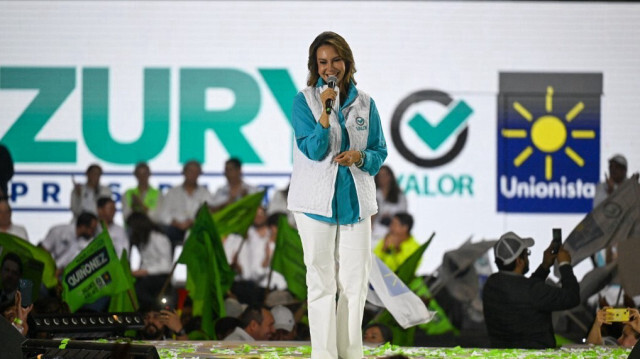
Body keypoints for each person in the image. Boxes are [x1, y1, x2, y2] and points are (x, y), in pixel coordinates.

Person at [287, 31, 387, 359]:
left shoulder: (366, 103)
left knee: (355, 285)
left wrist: (360, 157)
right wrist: (325, 111)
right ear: (315, 68)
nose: (330, 68)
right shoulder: (305, 101)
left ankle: (350, 354)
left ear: (347, 62)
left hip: (355, 202)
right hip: (315, 204)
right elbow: (314, 150)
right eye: (322, 62)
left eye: (335, 60)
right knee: (321, 284)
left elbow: (379, 151)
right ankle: (324, 355)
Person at [482, 231, 580, 349]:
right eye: (526, 253)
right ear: (519, 261)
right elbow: (572, 297)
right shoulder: (532, 291)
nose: (528, 257)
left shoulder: (491, 284)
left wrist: (544, 267)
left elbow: (522, 291)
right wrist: (565, 264)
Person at [156, 160, 212, 249]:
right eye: (190, 171)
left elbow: (209, 213)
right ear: (184, 172)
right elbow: (163, 214)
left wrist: (193, 222)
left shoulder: (205, 193)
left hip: (196, 229)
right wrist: (177, 224)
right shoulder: (172, 192)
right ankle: (166, 262)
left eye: (196, 172)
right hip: (175, 228)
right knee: (162, 233)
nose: (193, 175)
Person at [126, 212, 173, 311]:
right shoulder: (142, 240)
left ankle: (153, 308)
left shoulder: (159, 238)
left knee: (139, 291)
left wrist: (146, 271)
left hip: (159, 277)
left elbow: (167, 266)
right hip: (145, 276)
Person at [372, 165, 407, 242]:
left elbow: (402, 215)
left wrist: (391, 218)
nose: (382, 179)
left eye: (385, 175)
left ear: (390, 176)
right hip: (375, 232)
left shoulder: (399, 196)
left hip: (394, 232)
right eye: (380, 176)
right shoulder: (372, 194)